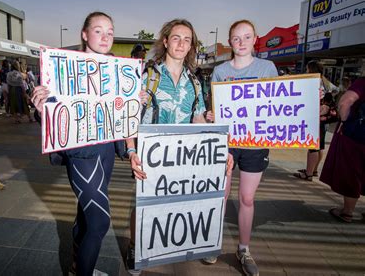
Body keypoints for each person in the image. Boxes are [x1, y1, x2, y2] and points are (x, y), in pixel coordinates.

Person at [124, 19, 233, 275]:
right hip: (150, 154)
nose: (181, 43)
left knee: (177, 203)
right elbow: (128, 117)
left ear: (191, 45)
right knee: (141, 203)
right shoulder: (147, 77)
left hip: (183, 157)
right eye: (176, 37)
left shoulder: (194, 82)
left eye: (187, 39)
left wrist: (218, 150)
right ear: (165, 41)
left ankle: (180, 243)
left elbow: (198, 119)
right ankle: (134, 246)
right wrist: (131, 150)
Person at [32, 12, 123, 276]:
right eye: (98, 30)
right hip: (82, 154)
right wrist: (41, 108)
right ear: (84, 34)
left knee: (85, 215)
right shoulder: (63, 66)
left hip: (106, 150)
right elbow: (53, 111)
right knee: (99, 221)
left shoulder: (116, 66)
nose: (105, 37)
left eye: (110, 31)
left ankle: (78, 266)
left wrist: (133, 100)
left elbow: (119, 110)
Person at [204, 20, 278, 276]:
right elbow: (213, 107)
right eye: (236, 38)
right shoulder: (221, 71)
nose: (241, 43)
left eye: (247, 37)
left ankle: (243, 249)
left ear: (255, 38)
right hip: (226, 143)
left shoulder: (268, 68)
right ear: (230, 41)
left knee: (247, 198)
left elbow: (277, 104)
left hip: (255, 144)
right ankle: (212, 244)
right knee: (220, 196)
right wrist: (211, 114)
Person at [320, 76, 365, 223]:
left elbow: (346, 101)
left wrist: (345, 122)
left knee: (353, 172)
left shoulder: (362, 83)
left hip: (357, 136)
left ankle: (347, 212)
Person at [294, 60, 331, 180]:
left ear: (312, 69)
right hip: (324, 118)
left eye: (307, 69)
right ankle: (313, 170)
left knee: (313, 146)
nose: (306, 71)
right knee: (319, 146)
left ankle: (308, 174)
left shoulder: (314, 82)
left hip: (316, 117)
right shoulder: (326, 82)